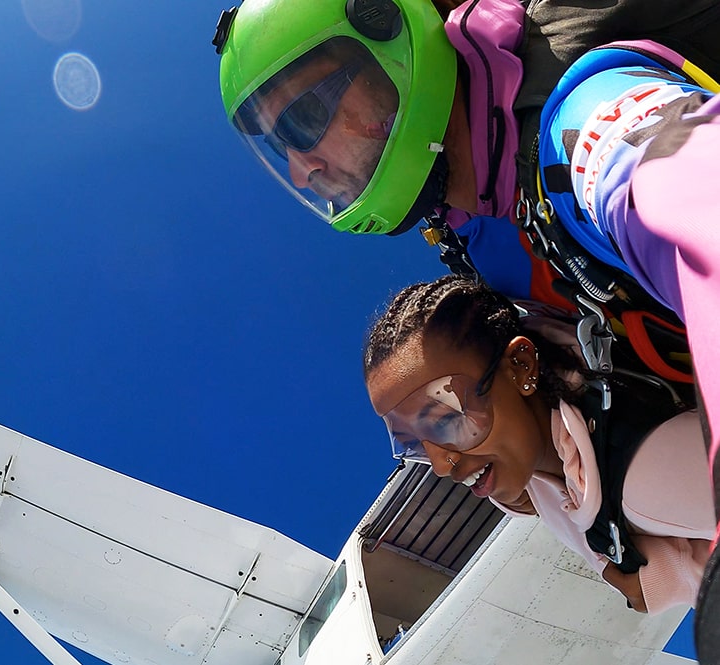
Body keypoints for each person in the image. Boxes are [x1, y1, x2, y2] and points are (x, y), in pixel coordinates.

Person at [213, 0, 720, 649]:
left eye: (306, 118)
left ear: (391, 45)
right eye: (278, 148)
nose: (301, 168)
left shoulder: (584, 121)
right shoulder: (478, 231)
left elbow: (685, 186)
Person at [362, 274, 714, 614]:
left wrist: (678, 575)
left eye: (448, 419)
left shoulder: (651, 477)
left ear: (521, 366)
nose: (441, 465)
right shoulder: (530, 472)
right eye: (414, 444)